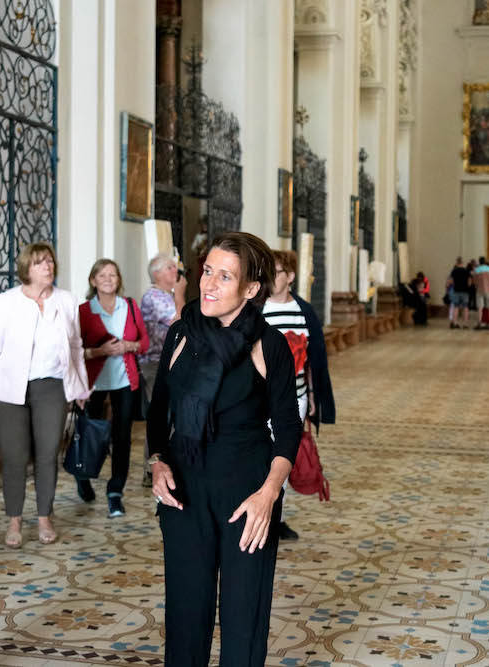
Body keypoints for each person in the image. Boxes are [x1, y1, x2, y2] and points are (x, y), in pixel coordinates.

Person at [148, 232, 303, 666]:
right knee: (185, 615)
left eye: (225, 277)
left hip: (247, 494)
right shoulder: (181, 333)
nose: (209, 284)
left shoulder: (266, 344)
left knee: (243, 620)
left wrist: (268, 495)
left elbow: (288, 429)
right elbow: (159, 413)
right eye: (208, 272)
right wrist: (157, 463)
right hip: (183, 494)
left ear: (251, 289)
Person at [0, 242, 91, 547]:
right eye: (40, 263)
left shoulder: (67, 301)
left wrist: (80, 387)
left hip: (52, 387)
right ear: (27, 268)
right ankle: (14, 520)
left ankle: (43, 517)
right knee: (14, 457)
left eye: (50, 261)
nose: (47, 267)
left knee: (48, 454)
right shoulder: (6, 301)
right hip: (11, 389)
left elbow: (76, 347)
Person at [261, 249, 336, 541]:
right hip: (261, 398)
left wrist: (315, 399)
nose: (269, 279)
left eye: (275, 272)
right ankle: (261, 510)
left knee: (284, 456)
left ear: (290, 276)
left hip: (297, 398)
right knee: (262, 455)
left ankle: (276, 517)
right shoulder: (258, 308)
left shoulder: (304, 311)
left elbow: (315, 360)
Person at [79, 259, 149, 517]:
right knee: (91, 437)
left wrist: (128, 346)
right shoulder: (84, 311)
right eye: (102, 275)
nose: (108, 279)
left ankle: (115, 492)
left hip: (124, 381)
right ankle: (83, 476)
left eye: (113, 275)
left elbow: (144, 341)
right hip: (93, 384)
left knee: (122, 437)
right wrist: (100, 351)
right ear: (93, 280)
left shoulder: (129, 306)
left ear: (119, 280)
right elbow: (75, 350)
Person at [138, 254, 187, 485]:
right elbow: (180, 321)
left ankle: (166, 464)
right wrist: (180, 293)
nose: (175, 271)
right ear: (156, 273)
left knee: (172, 414)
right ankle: (152, 469)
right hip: (155, 362)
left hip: (172, 361)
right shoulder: (153, 296)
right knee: (159, 413)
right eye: (169, 267)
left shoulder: (167, 295)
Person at [472, 257, 489, 330]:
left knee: (480, 308)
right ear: (485, 261)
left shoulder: (476, 270)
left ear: (479, 262)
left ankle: (479, 323)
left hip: (480, 291)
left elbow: (474, 282)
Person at [449, 257, 471, 329]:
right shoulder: (466, 271)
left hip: (456, 290)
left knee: (456, 307)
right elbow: (469, 281)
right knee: (465, 307)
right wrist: (467, 286)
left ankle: (455, 323)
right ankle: (465, 324)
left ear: (456, 263)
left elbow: (451, 281)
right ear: (462, 263)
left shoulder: (454, 271)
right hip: (465, 291)